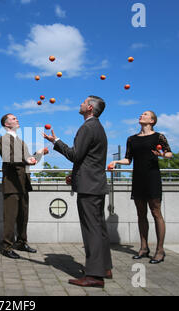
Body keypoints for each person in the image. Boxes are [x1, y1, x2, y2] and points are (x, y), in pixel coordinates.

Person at [44, 96, 113, 288]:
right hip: (95, 184)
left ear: (89, 108)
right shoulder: (98, 127)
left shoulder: (87, 127)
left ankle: (94, 275)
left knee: (91, 230)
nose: (80, 104)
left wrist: (56, 141)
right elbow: (89, 160)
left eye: (83, 102)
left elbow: (75, 155)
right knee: (99, 228)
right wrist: (74, 177)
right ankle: (104, 267)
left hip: (89, 187)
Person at [109, 110, 172, 264]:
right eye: (141, 114)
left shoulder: (159, 137)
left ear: (152, 120)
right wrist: (116, 162)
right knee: (141, 214)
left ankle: (160, 250)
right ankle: (144, 248)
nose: (141, 116)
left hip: (152, 177)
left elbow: (169, 153)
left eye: (145, 114)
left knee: (156, 213)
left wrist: (162, 155)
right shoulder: (131, 139)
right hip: (138, 178)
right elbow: (128, 159)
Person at [0, 114, 47, 259]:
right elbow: (9, 159)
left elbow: (28, 161)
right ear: (6, 124)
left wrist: (38, 155)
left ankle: (21, 242)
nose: (17, 119)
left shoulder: (21, 141)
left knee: (23, 216)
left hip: (23, 184)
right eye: (13, 119)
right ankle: (7, 246)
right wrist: (28, 160)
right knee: (10, 217)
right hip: (12, 183)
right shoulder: (4, 139)